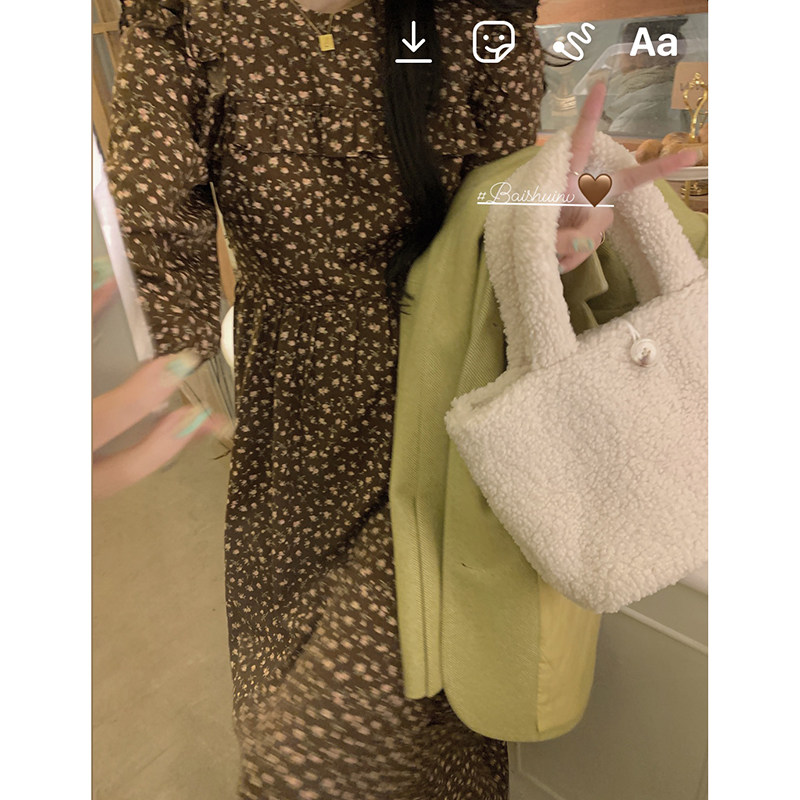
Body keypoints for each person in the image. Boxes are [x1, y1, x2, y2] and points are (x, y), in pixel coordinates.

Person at [99, 1, 698, 797]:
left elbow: (503, 192)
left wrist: (551, 224)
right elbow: (155, 203)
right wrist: (170, 352)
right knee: (287, 657)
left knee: (313, 753)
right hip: (295, 415)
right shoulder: (184, 18)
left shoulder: (470, 14)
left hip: (443, 393)